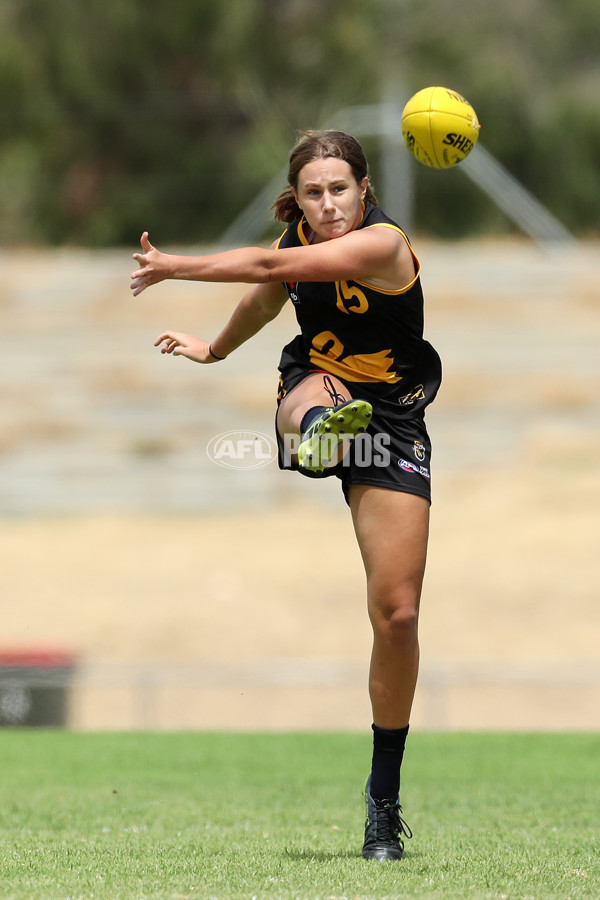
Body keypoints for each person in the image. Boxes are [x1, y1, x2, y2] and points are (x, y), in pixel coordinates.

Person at [130, 130, 441, 861]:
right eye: (313, 192)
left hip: (392, 421)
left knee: (397, 615)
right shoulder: (299, 242)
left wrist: (175, 266)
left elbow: (271, 264)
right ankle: (317, 429)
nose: (328, 204)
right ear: (298, 197)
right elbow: (268, 297)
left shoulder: (383, 244)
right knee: (317, 395)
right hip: (318, 382)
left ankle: (383, 802)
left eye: (340, 189)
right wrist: (213, 348)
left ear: (365, 191)